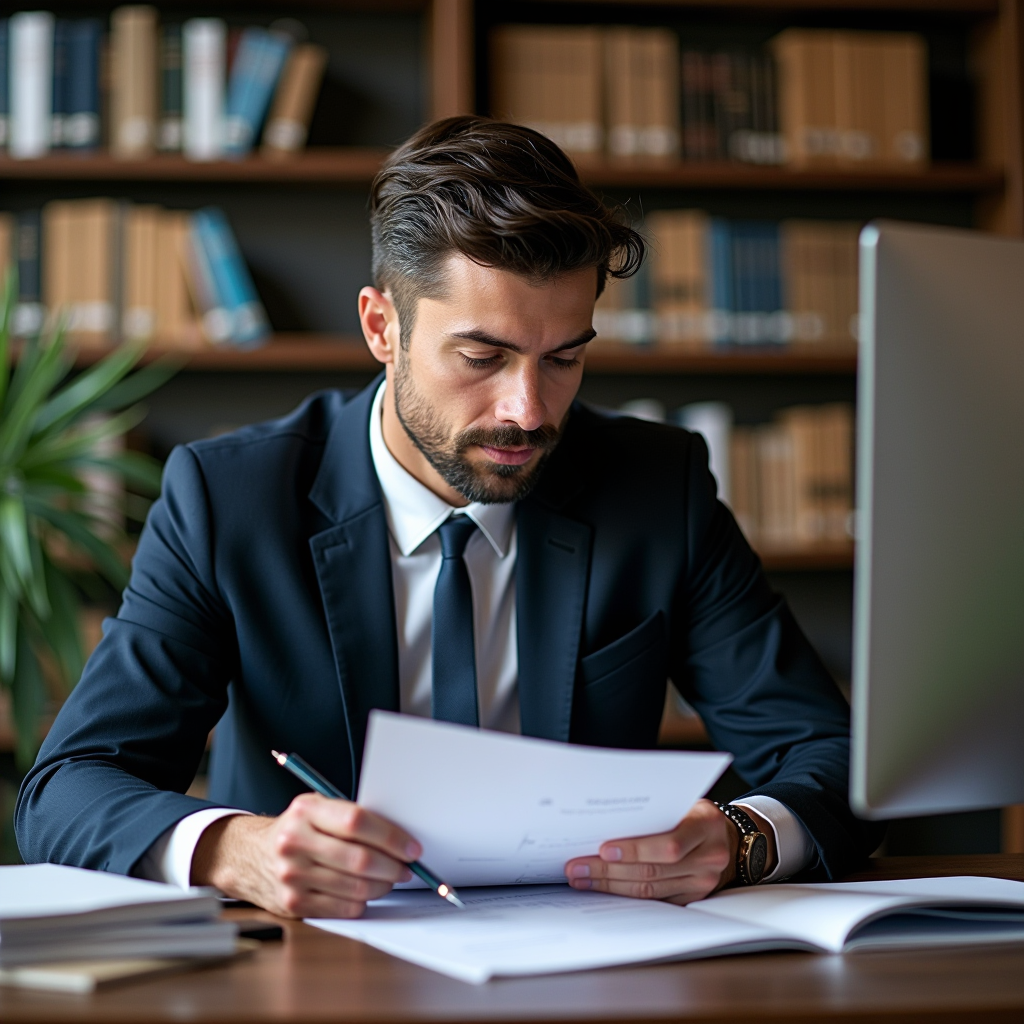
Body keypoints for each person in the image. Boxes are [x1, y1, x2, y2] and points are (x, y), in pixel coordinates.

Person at [16, 117, 881, 918]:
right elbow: (68, 789)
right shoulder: (227, 498)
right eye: (482, 355)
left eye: (565, 359)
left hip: (590, 963)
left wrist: (743, 838)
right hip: (317, 967)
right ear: (381, 327)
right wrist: (235, 850)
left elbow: (835, 759)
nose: (529, 409)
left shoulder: (658, 486)